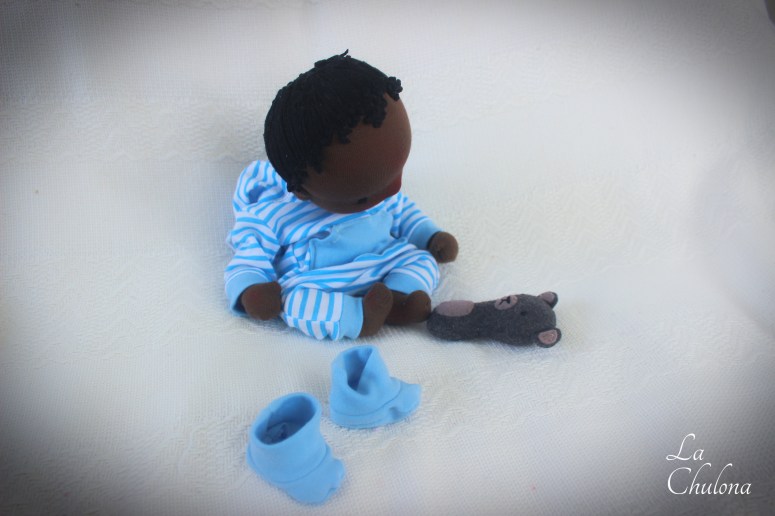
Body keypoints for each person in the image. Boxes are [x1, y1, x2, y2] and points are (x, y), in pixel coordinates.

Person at [225, 51, 458, 340]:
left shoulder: (384, 192)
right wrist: (250, 288)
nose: (393, 189)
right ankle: (357, 318)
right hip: (319, 280)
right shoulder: (273, 213)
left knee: (422, 261)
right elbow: (249, 252)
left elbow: (403, 211)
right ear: (302, 191)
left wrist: (430, 236)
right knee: (294, 302)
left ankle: (399, 300)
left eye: (397, 173)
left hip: (386, 257)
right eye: (362, 198)